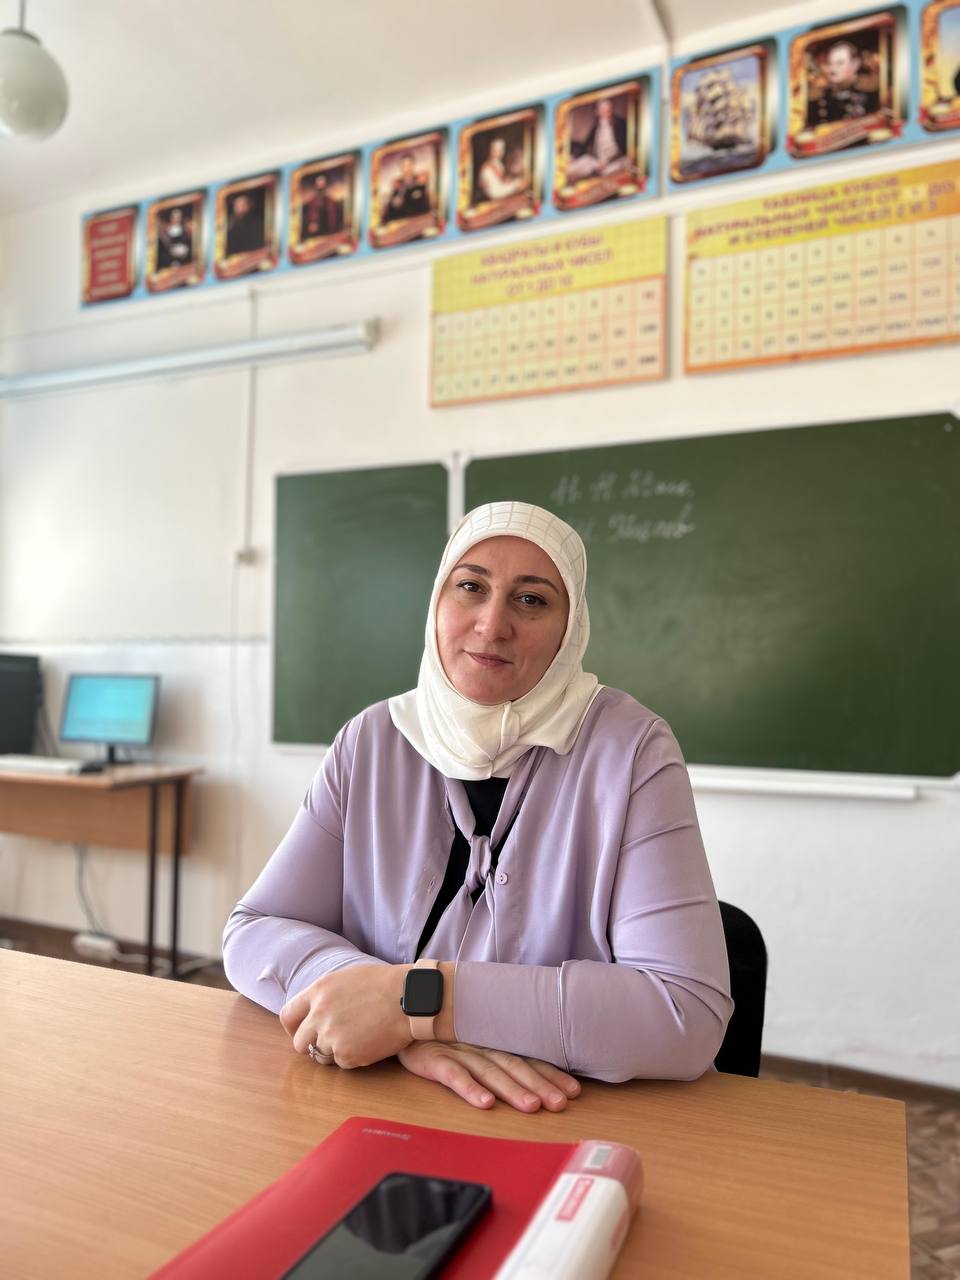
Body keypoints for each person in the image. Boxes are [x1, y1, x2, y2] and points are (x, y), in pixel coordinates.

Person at [223, 502, 732, 1113]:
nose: (492, 626)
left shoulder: (632, 751)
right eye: (470, 587)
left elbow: (685, 1011)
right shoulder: (372, 741)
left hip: (561, 1116)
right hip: (380, 1099)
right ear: (438, 602)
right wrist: (372, 1009)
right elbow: (254, 929)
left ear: (571, 628)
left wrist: (416, 1004)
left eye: (531, 600)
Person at [806, 40, 879, 126]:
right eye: (829, 63)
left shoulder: (872, 89)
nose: (832, 69)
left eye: (839, 63)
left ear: (855, 64)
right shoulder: (816, 96)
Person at [567, 98, 629, 181]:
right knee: (572, 168)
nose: (606, 112)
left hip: (616, 161)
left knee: (609, 173)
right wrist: (575, 157)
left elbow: (625, 148)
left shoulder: (621, 124)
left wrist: (606, 162)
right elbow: (585, 145)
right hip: (598, 161)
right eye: (603, 110)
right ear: (597, 111)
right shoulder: (596, 127)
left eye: (608, 109)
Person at [383, 152, 430, 222]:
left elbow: (425, 206)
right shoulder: (397, 184)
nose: (407, 168)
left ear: (413, 165)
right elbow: (390, 211)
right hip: (400, 221)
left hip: (417, 220)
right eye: (404, 166)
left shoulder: (421, 182)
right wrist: (394, 203)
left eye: (409, 165)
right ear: (401, 167)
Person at [476, 136, 526, 201]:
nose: (499, 152)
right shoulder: (486, 170)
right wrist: (514, 186)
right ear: (490, 150)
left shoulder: (499, 164)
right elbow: (494, 193)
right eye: (495, 149)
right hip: (492, 202)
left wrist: (510, 181)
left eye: (501, 149)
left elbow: (501, 181)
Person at [299, 172, 342, 240]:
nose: (321, 184)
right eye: (319, 182)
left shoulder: (330, 200)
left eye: (323, 182)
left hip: (329, 231)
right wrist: (311, 223)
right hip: (315, 233)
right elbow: (308, 215)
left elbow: (334, 215)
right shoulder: (311, 201)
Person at [225, 191, 264, 256]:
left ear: (249, 206)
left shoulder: (256, 223)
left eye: (243, 205)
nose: (240, 208)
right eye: (237, 205)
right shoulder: (228, 219)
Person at [155, 206, 192, 270]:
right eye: (174, 217)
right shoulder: (163, 233)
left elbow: (189, 246)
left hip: (183, 262)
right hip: (168, 263)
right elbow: (161, 252)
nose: (176, 219)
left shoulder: (185, 230)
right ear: (170, 217)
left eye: (178, 217)